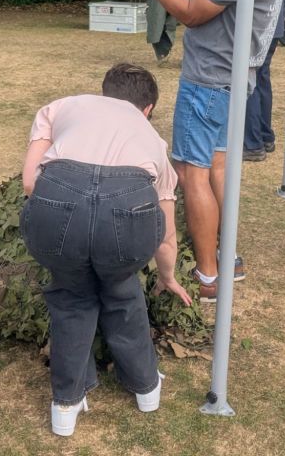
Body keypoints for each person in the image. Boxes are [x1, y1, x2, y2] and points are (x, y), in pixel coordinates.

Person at [120, 0, 285, 302]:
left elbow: (192, 15)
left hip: (208, 83)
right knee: (218, 169)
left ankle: (208, 275)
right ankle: (228, 257)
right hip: (235, 83)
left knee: (193, 173)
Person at [20, 63, 191, 437]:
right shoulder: (154, 142)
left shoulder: (60, 107)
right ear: (147, 108)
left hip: (58, 202)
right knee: (122, 289)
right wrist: (168, 277)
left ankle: (66, 404)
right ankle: (146, 388)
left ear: (104, 93)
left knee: (71, 297)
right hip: (128, 210)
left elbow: (30, 184)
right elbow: (166, 235)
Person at [242, 0, 285, 161]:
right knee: (261, 80)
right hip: (273, 27)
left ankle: (253, 144)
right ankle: (265, 136)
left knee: (249, 80)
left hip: (258, 29)